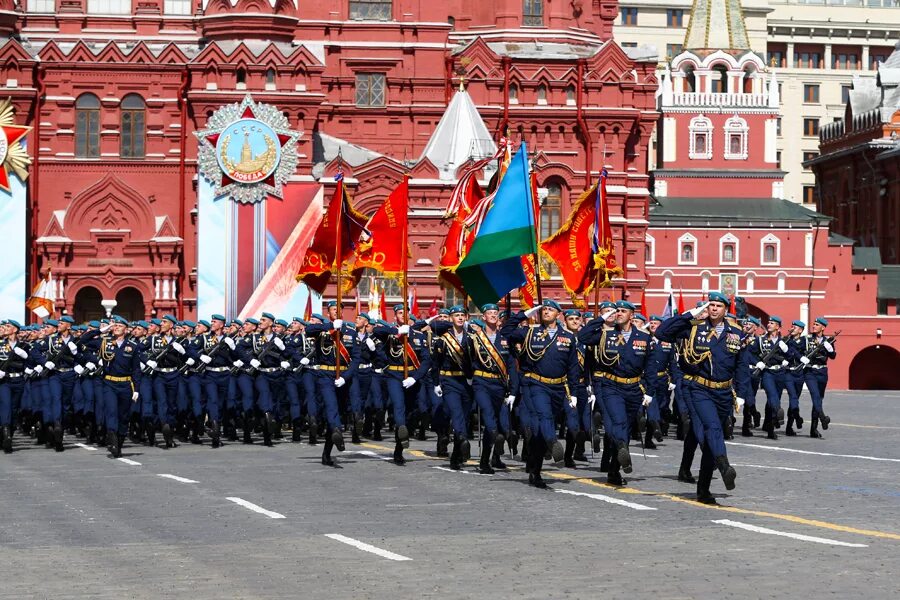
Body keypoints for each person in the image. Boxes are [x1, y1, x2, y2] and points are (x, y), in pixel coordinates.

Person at [655, 292, 750, 504]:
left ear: (726, 310)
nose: (714, 309)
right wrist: (688, 315)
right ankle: (724, 465)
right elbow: (662, 333)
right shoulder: (693, 327)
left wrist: (742, 394)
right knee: (712, 427)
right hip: (699, 388)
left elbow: (742, 365)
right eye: (711, 305)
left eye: (719, 305)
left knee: (710, 442)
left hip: (724, 392)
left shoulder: (736, 332)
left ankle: (703, 489)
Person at [503, 299, 580, 488]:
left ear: (558, 314)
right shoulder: (529, 331)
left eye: (550, 309)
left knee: (539, 432)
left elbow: (573, 367)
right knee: (544, 418)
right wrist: (525, 314)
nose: (546, 312)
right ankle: (554, 443)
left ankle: (535, 470)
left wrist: (574, 392)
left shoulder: (568, 337)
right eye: (544, 309)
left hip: (557, 388)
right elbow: (505, 332)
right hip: (535, 384)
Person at [578, 301, 653, 486]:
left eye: (622, 311)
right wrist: (602, 317)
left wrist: (649, 391)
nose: (618, 313)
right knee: (618, 422)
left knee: (625, 428)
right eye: (616, 310)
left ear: (632, 315)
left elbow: (650, 366)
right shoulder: (605, 334)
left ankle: (614, 470)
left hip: (634, 389)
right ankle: (621, 449)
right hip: (610, 386)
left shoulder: (643, 337)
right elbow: (583, 336)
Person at [81, 316, 142, 458]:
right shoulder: (104, 341)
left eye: (120, 325)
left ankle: (119, 440)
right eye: (114, 325)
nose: (116, 327)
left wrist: (137, 389)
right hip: (109, 383)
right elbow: (82, 342)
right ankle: (112, 437)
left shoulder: (133, 346)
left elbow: (136, 370)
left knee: (124, 416)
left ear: (126, 329)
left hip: (126, 384)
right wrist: (100, 330)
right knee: (111, 411)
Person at [801, 317, 835, 438]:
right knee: (815, 395)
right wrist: (801, 357)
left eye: (816, 324)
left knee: (819, 399)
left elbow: (833, 356)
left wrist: (829, 348)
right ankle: (823, 418)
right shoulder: (807, 339)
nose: (814, 326)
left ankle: (813, 429)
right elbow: (797, 349)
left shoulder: (828, 341)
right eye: (814, 324)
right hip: (810, 371)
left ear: (823, 328)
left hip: (822, 372)